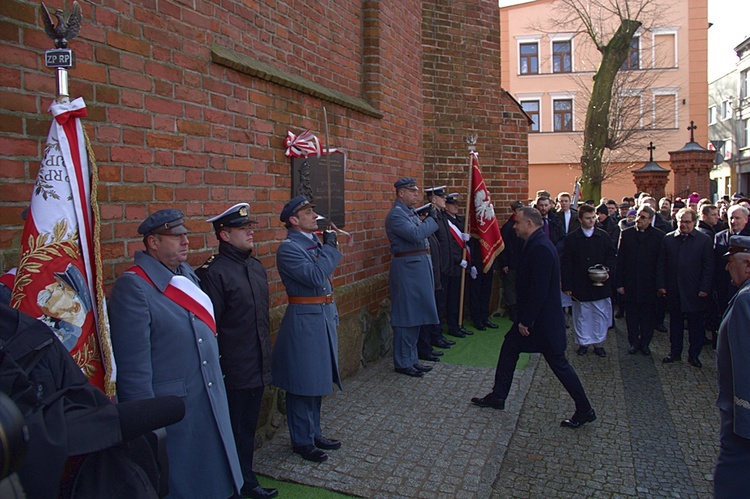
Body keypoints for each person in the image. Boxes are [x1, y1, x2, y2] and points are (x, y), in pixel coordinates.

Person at [108, 208, 243, 498]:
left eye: (185, 235)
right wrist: (146, 430)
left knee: (217, 480)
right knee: (183, 484)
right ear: (153, 242)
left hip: (207, 398)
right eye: (175, 236)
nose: (185, 241)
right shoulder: (133, 287)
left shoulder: (185, 274)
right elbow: (134, 371)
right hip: (174, 412)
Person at [470, 207, 595, 428]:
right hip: (539, 321)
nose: (515, 226)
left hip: (542, 323)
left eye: (517, 222)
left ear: (529, 223)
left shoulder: (541, 248)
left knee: (559, 364)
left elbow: (539, 289)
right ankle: (498, 396)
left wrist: (526, 321)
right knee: (510, 347)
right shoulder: (535, 243)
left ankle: (585, 409)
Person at [195, 203, 277, 499]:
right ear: (224, 235)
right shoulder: (213, 273)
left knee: (246, 429)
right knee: (228, 429)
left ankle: (245, 480)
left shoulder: (254, 267)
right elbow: (211, 328)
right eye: (242, 229)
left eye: (249, 226)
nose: (250, 232)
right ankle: (229, 485)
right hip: (232, 367)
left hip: (256, 363)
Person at [272, 196, 343, 463]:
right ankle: (301, 440)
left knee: (317, 379)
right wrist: (330, 248)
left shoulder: (311, 242)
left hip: (321, 315)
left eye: (313, 211)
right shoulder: (289, 248)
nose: (314, 215)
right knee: (302, 382)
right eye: (308, 212)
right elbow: (315, 278)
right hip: (305, 319)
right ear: (293, 220)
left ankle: (314, 432)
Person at [385, 178, 440, 377]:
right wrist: (432, 220)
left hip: (417, 268)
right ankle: (402, 361)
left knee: (416, 316)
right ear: (401, 193)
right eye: (412, 191)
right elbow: (416, 234)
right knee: (406, 316)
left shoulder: (408, 213)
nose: (416, 194)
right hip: (407, 269)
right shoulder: (396, 215)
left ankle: (412, 358)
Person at [714, 235, 750, 497]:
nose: (727, 267)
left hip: (741, 426)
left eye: (731, 262)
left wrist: (744, 419)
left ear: (747, 264)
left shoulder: (745, 300)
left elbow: (745, 364)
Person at [657, 208, 714, 368]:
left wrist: (705, 288)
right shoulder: (668, 239)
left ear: (694, 223)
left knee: (696, 326)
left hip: (695, 290)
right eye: (681, 221)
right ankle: (675, 352)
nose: (684, 225)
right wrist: (661, 285)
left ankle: (694, 355)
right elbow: (661, 264)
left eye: (687, 222)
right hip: (674, 289)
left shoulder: (704, 240)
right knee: (675, 324)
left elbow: (708, 266)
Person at [561, 204, 617, 357]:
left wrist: (607, 269)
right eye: (588, 218)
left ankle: (598, 343)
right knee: (581, 314)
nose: (591, 220)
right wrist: (567, 285)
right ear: (580, 219)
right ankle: (583, 342)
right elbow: (566, 262)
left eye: (593, 217)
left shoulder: (603, 236)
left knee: (599, 313)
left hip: (600, 282)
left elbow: (611, 256)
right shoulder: (572, 238)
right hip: (580, 283)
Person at [615, 206, 665, 355]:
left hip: (649, 284)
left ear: (650, 220)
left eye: (643, 217)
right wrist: (619, 283)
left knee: (647, 317)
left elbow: (661, 263)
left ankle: (645, 343)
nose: (639, 220)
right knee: (631, 317)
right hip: (631, 282)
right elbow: (621, 260)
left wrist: (660, 285)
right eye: (638, 216)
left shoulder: (659, 236)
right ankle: (633, 342)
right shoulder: (627, 234)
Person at [442, 192, 474, 337]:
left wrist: (470, 262)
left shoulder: (460, 221)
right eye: (452, 204)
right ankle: (453, 326)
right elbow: (448, 246)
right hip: (453, 266)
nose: (456, 207)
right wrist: (458, 260)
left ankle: (459, 324)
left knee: (460, 296)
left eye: (456, 204)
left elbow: (465, 245)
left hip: (463, 265)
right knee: (452, 298)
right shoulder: (445, 221)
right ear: (446, 206)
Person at [499, 201, 524, 321]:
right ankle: (513, 311)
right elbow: (504, 246)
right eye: (518, 209)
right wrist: (504, 263)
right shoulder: (508, 227)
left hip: (522, 262)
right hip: (511, 262)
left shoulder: (524, 224)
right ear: (513, 211)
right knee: (510, 288)